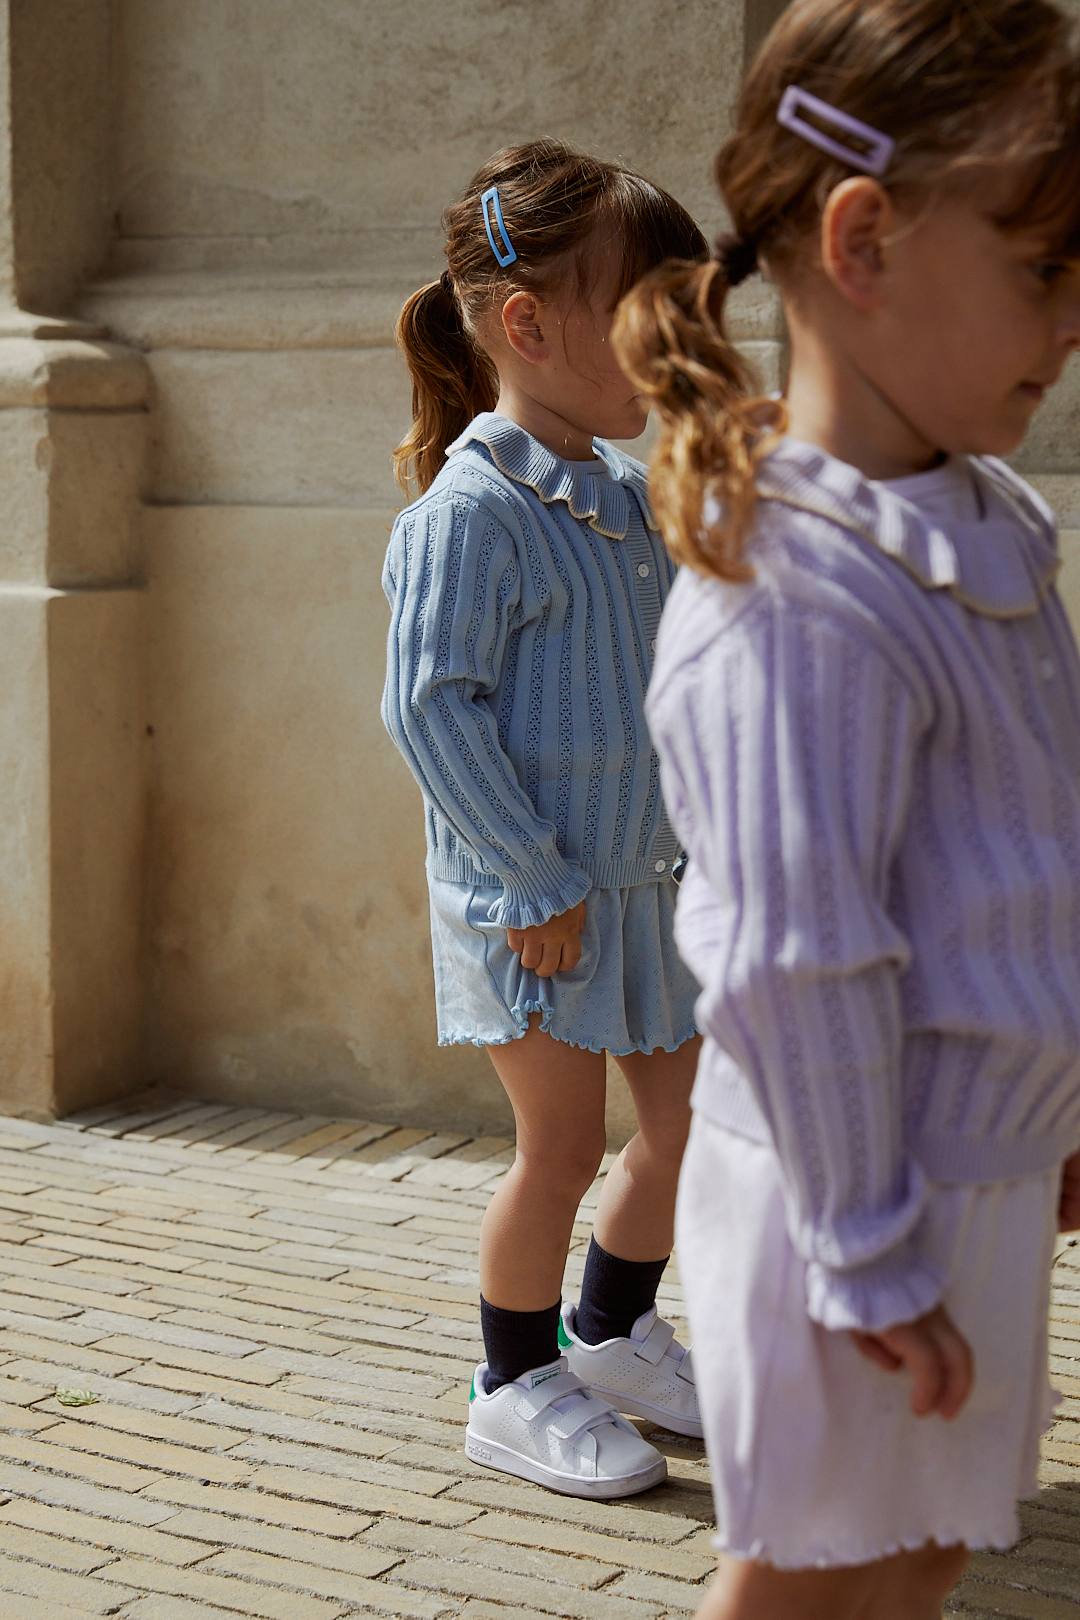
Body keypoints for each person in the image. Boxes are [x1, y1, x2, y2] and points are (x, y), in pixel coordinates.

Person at [614, 0, 1080, 1612]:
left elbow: (1019, 860)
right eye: (1042, 264)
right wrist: (871, 1250)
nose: (1072, 315)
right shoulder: (797, 598)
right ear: (865, 240)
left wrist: (1054, 1100)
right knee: (811, 1582)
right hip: (852, 1200)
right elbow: (797, 958)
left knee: (926, 1551)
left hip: (970, 1174)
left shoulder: (986, 522)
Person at [381, 139, 708, 1499]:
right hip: (540, 903)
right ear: (528, 324)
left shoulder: (630, 503)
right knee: (561, 1147)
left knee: (694, 1122)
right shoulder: (474, 512)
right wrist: (532, 880)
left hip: (649, 884)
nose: (684, 351)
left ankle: (614, 1327)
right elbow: (429, 711)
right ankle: (512, 1377)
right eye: (658, 322)